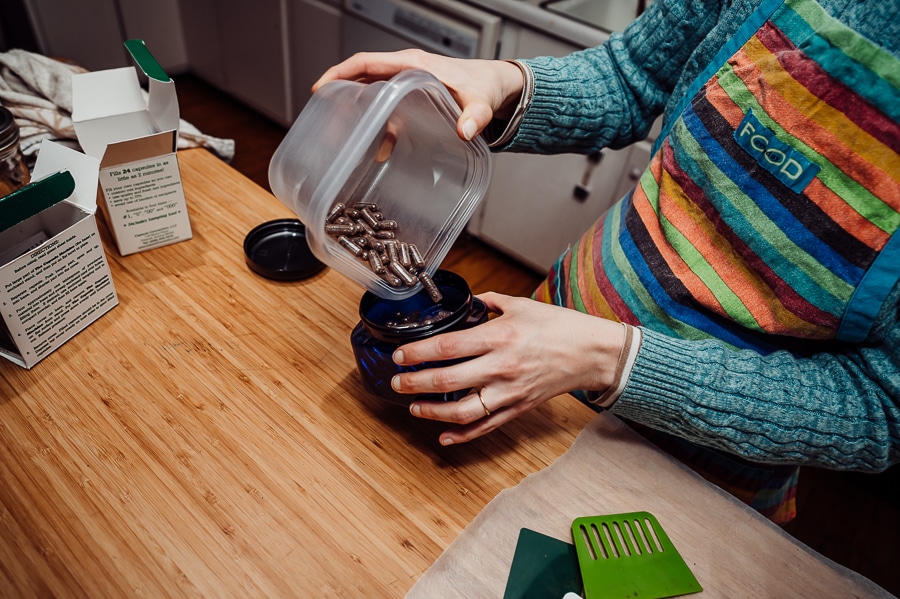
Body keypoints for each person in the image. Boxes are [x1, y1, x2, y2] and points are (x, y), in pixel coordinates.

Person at [314, 0, 900, 523]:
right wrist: (503, 82)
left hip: (708, 469)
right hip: (541, 351)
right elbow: (634, 73)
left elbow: (884, 407)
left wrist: (611, 361)